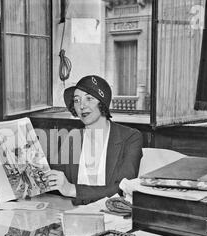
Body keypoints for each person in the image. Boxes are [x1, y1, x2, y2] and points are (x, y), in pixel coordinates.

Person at [44, 75, 143, 205]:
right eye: (76, 100)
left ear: (102, 103)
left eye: (89, 98)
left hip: (112, 215)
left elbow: (123, 188)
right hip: (73, 215)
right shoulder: (71, 139)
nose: (82, 106)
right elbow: (55, 183)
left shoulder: (130, 137)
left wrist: (72, 190)